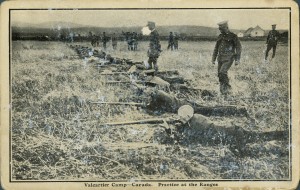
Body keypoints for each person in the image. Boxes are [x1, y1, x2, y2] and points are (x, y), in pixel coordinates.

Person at [212, 21, 242, 95]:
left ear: (227, 27)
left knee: (222, 72)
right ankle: (222, 90)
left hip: (229, 58)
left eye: (222, 29)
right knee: (219, 74)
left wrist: (237, 59)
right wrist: (213, 59)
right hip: (220, 58)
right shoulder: (220, 36)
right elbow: (216, 48)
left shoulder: (233, 36)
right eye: (220, 29)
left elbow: (239, 47)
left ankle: (228, 89)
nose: (221, 30)